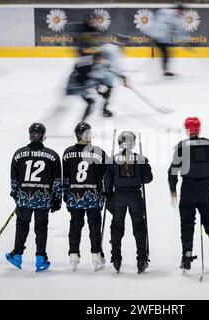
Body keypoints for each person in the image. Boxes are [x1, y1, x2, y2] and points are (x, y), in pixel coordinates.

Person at [168, 117, 209, 271]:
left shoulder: (182, 147)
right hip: (205, 191)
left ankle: (186, 257)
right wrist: (207, 180)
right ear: (199, 128)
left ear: (187, 129)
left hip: (188, 190)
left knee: (187, 224)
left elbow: (172, 171)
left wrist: (173, 189)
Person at [6, 123, 62, 272]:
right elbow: (57, 182)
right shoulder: (53, 155)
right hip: (43, 199)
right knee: (41, 228)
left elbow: (14, 180)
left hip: (24, 198)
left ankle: (17, 256)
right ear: (44, 136)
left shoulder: (19, 154)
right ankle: (41, 258)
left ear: (30, 134)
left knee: (22, 226)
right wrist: (57, 200)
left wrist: (16, 196)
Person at [104, 131, 153, 273]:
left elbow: (107, 181)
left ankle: (116, 257)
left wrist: (108, 197)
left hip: (118, 197)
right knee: (139, 228)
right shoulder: (141, 159)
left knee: (117, 228)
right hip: (135, 197)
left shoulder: (112, 160)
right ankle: (142, 259)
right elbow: (148, 179)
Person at [62, 122, 108, 271]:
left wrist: (65, 195)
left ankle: (73, 254)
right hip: (93, 196)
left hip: (74, 196)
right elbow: (106, 175)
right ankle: (96, 254)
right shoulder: (98, 152)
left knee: (75, 225)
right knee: (94, 226)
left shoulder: (68, 152)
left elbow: (66, 177)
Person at [95, 40, 129, 118]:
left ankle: (101, 98)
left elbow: (98, 52)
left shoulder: (108, 46)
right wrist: (123, 79)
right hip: (103, 74)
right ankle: (104, 109)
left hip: (97, 72)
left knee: (101, 88)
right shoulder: (115, 52)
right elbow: (116, 68)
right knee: (107, 92)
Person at [150, 4, 185, 76]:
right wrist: (155, 34)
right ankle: (165, 70)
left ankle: (165, 70)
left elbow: (177, 30)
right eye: (182, 11)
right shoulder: (169, 14)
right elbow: (162, 23)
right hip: (159, 37)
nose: (183, 13)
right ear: (179, 10)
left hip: (162, 38)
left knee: (166, 53)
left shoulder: (174, 16)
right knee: (166, 53)